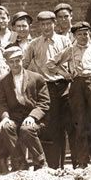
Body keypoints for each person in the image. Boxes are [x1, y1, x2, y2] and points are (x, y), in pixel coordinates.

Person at [23, 11, 73, 169]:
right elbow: (24, 65)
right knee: (49, 127)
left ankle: (62, 165)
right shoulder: (34, 44)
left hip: (63, 87)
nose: (46, 27)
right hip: (45, 88)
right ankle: (51, 166)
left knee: (65, 125)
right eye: (42, 24)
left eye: (49, 24)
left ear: (54, 24)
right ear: (39, 26)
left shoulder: (64, 41)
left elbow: (72, 61)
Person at [47, 21, 91, 168]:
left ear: (89, 34)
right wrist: (65, 74)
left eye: (85, 34)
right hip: (77, 86)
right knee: (80, 122)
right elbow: (50, 64)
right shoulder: (70, 50)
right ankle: (82, 160)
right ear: (74, 36)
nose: (83, 37)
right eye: (79, 34)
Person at [0, 46, 50, 171]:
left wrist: (32, 116)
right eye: (11, 61)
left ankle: (41, 163)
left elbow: (44, 102)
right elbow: (0, 103)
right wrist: (5, 117)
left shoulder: (37, 78)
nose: (15, 64)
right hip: (15, 118)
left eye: (17, 60)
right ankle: (20, 163)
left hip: (35, 119)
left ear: (22, 59)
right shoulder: (3, 80)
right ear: (7, 63)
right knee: (5, 127)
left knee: (26, 129)